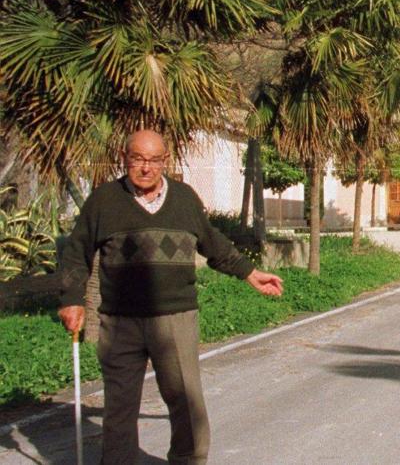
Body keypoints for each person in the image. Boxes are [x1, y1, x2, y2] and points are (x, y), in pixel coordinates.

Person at [58, 129, 284, 464]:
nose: (146, 167)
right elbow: (76, 251)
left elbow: (212, 243)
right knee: (119, 408)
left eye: (153, 160)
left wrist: (249, 273)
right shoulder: (104, 201)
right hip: (121, 321)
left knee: (186, 403)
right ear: (125, 159)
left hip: (176, 317)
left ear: (165, 161)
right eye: (138, 158)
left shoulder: (184, 198)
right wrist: (71, 298)